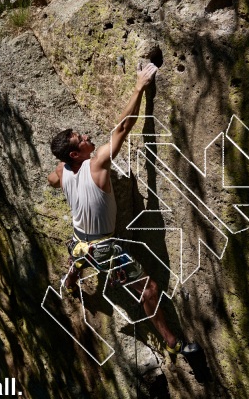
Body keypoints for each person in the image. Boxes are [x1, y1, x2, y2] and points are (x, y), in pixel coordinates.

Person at [47, 62, 183, 355]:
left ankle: (70, 282)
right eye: (81, 140)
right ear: (76, 153)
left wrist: (58, 180)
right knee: (149, 290)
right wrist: (139, 87)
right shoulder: (96, 165)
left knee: (79, 257)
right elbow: (122, 127)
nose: (86, 137)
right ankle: (171, 342)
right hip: (103, 248)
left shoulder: (63, 169)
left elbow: (52, 179)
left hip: (78, 240)